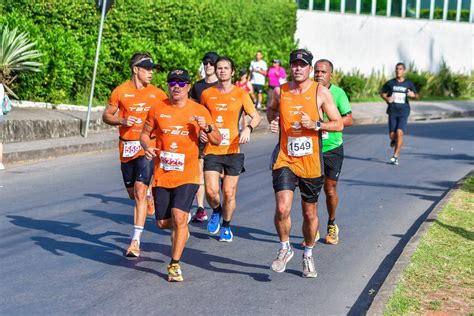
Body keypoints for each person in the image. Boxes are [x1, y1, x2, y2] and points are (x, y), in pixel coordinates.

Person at [267, 49, 343, 278]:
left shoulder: (320, 92)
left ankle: (308, 254)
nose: (298, 68)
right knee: (282, 207)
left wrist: (316, 124)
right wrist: (274, 123)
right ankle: (284, 247)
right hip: (285, 158)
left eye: (303, 64)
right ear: (290, 67)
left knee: (310, 214)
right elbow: (271, 110)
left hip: (311, 162)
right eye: (295, 64)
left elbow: (338, 123)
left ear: (309, 69)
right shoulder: (280, 91)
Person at [140, 68, 221, 282]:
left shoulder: (199, 110)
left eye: (181, 83)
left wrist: (208, 127)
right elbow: (144, 135)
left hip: (188, 174)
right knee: (163, 224)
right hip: (162, 174)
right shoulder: (157, 109)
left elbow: (217, 139)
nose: (176, 86)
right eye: (172, 82)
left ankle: (174, 264)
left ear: (187, 86)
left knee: (179, 216)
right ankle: (182, 230)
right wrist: (146, 146)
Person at [102, 52, 167, 258]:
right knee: (133, 194)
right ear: (135, 69)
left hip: (147, 147)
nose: (150, 73)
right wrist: (121, 121)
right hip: (127, 147)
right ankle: (148, 195)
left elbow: (168, 115)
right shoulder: (120, 91)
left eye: (152, 70)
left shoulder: (158, 94)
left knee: (139, 191)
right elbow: (107, 115)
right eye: (146, 69)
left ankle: (135, 241)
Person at [201, 56, 261, 242]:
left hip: (233, 149)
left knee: (228, 192)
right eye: (219, 68)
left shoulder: (241, 94)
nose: (222, 71)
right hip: (212, 148)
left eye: (226, 68)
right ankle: (216, 211)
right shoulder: (207, 94)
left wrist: (248, 129)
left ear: (232, 72)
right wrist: (201, 132)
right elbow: (199, 117)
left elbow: (256, 116)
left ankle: (226, 226)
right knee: (211, 191)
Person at [314, 59, 353, 245]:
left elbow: (349, 119)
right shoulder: (308, 91)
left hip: (333, 148)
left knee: (329, 189)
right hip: (313, 148)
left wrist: (327, 125)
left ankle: (332, 223)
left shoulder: (338, 93)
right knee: (310, 190)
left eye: (323, 72)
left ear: (331, 74)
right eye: (316, 71)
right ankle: (312, 225)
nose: (319, 75)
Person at [190, 51, 219, 222]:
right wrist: (199, 130)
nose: (208, 65)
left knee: (217, 176)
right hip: (201, 135)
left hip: (218, 135)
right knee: (199, 170)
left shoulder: (221, 86)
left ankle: (217, 203)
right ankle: (201, 208)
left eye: (211, 63)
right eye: (205, 62)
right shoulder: (197, 86)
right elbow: (192, 110)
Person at [380, 62, 418, 165]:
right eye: (397, 69)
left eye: (400, 69)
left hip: (404, 111)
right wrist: (387, 99)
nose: (398, 71)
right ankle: (394, 140)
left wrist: (412, 95)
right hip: (392, 111)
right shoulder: (391, 83)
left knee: (400, 132)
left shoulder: (408, 84)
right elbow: (382, 92)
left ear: (404, 71)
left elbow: (416, 95)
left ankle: (395, 156)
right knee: (392, 135)